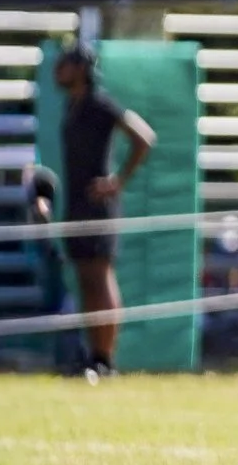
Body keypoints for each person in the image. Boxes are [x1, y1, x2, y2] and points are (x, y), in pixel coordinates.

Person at [48, 44, 157, 378]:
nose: (58, 71)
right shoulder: (73, 105)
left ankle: (105, 358)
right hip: (77, 203)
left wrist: (117, 180)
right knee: (85, 279)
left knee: (100, 276)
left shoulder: (100, 103)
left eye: (64, 64)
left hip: (97, 204)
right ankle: (92, 354)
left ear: (80, 67)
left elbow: (144, 137)